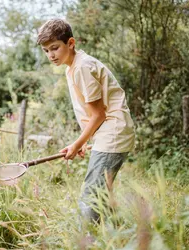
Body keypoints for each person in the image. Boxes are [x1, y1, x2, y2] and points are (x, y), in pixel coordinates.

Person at [37, 19, 135, 222]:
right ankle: (119, 240)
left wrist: (77, 144)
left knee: (91, 200)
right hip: (107, 134)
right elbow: (95, 115)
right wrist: (85, 141)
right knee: (101, 199)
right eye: (46, 51)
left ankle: (88, 241)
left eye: (54, 48)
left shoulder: (82, 67)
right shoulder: (71, 67)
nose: (51, 55)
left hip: (113, 134)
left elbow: (99, 114)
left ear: (70, 43)